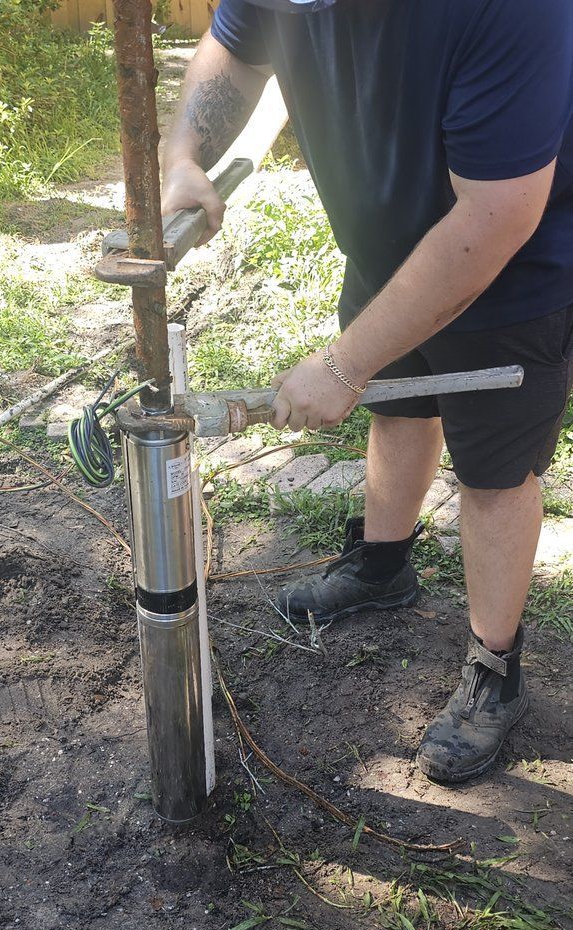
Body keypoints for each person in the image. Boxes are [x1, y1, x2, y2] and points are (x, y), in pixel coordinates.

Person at [161, 0, 573, 783]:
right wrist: (183, 155)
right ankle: (382, 566)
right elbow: (234, 47)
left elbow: (496, 215)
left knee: (494, 476)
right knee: (399, 409)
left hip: (511, 268)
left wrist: (345, 364)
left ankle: (494, 668)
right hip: (386, 249)